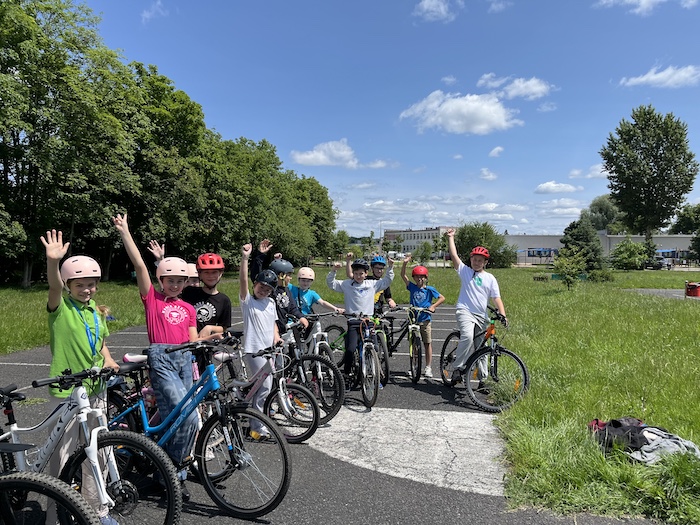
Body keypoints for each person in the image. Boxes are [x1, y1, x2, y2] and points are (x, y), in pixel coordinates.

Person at [113, 212, 216, 501]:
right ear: (161, 280)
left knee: (184, 419)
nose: (175, 285)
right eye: (170, 280)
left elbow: (193, 339)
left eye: (180, 281)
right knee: (186, 418)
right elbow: (139, 265)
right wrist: (125, 232)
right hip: (161, 358)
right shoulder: (152, 299)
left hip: (185, 359)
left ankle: (170, 471)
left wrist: (211, 339)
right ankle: (170, 470)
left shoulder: (189, 308)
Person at [40, 229, 120, 525]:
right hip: (67, 390)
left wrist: (108, 359)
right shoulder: (60, 308)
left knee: (98, 452)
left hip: (95, 388)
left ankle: (96, 511)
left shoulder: (96, 312)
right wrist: (53, 262)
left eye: (91, 285)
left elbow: (100, 343)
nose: (87, 290)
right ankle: (55, 516)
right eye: (80, 285)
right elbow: (53, 287)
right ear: (69, 285)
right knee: (61, 456)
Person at [446, 228, 507, 383]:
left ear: (485, 263)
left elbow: (496, 298)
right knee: (467, 336)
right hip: (465, 311)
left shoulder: (490, 278)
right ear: (471, 259)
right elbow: (454, 256)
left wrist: (502, 314)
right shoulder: (465, 271)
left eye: (480, 260)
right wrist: (451, 237)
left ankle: (483, 380)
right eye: (474, 259)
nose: (477, 262)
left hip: (481, 315)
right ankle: (458, 368)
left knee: (482, 348)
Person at [239, 243, 281, 437]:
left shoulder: (270, 302)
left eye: (267, 289)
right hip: (254, 350)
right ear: (255, 284)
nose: (263, 291)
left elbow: (273, 324)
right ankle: (256, 427)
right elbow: (243, 282)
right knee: (264, 387)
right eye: (260, 287)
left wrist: (277, 337)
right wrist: (245, 258)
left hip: (269, 349)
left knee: (263, 386)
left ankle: (247, 407)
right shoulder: (248, 302)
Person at [327, 257, 394, 375]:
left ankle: (374, 373)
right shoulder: (347, 284)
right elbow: (331, 284)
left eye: (361, 274)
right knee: (350, 349)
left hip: (368, 321)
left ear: (366, 274)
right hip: (353, 321)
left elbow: (387, 281)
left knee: (375, 348)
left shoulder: (372, 284)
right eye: (356, 274)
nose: (358, 276)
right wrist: (333, 270)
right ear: (353, 273)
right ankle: (347, 373)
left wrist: (390, 267)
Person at [249, 239, 309, 336]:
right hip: (268, 332)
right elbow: (256, 275)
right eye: (288, 275)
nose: (290, 278)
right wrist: (261, 255)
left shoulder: (286, 290)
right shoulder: (269, 289)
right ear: (281, 275)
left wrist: (301, 317)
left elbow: (292, 308)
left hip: (282, 331)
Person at [400, 254, 445, 379]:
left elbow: (442, 298)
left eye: (422, 276)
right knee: (414, 344)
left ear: (425, 278)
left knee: (427, 343)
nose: (419, 279)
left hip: (425, 319)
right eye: (417, 276)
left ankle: (428, 367)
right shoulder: (412, 287)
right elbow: (403, 275)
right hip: (413, 319)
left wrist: (433, 306)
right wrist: (405, 263)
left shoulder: (429, 289)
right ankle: (414, 366)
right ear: (414, 277)